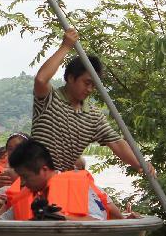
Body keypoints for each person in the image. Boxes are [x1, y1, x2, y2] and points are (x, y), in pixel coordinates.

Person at [32, 28, 154, 176]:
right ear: (71, 78)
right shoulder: (49, 98)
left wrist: (140, 163)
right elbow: (41, 79)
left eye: (94, 85)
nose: (90, 89)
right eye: (87, 83)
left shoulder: (94, 116)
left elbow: (116, 143)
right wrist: (66, 46)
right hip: (33, 179)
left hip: (59, 184)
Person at [2, 139, 138, 221]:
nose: (23, 182)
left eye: (26, 177)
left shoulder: (76, 186)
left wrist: (61, 218)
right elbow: (1, 221)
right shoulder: (29, 194)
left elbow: (98, 222)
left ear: (44, 170)